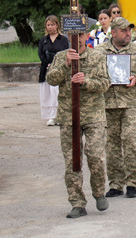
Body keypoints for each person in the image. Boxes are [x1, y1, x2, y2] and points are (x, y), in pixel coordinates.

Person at [45, 31, 110, 219]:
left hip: (93, 114)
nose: (78, 38)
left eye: (81, 34)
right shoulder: (60, 56)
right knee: (72, 161)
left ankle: (99, 192)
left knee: (96, 155)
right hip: (68, 115)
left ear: (86, 36)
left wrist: (86, 82)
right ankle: (77, 202)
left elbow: (105, 83)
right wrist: (65, 65)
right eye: (74, 34)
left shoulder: (96, 56)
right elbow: (51, 79)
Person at [95, 17, 136, 199]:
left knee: (131, 143)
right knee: (111, 147)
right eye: (124, 31)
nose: (129, 34)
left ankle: (132, 183)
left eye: (130, 31)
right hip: (108, 105)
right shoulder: (99, 52)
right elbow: (93, 74)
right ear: (114, 33)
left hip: (129, 105)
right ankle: (115, 184)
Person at [38, 15, 70, 126]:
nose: (50, 27)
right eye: (48, 25)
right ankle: (50, 116)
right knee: (48, 93)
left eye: (52, 25)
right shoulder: (44, 40)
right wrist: (48, 63)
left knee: (57, 92)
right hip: (46, 68)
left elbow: (65, 52)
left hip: (59, 69)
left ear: (57, 25)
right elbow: (41, 54)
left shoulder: (63, 39)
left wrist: (57, 64)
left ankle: (59, 115)